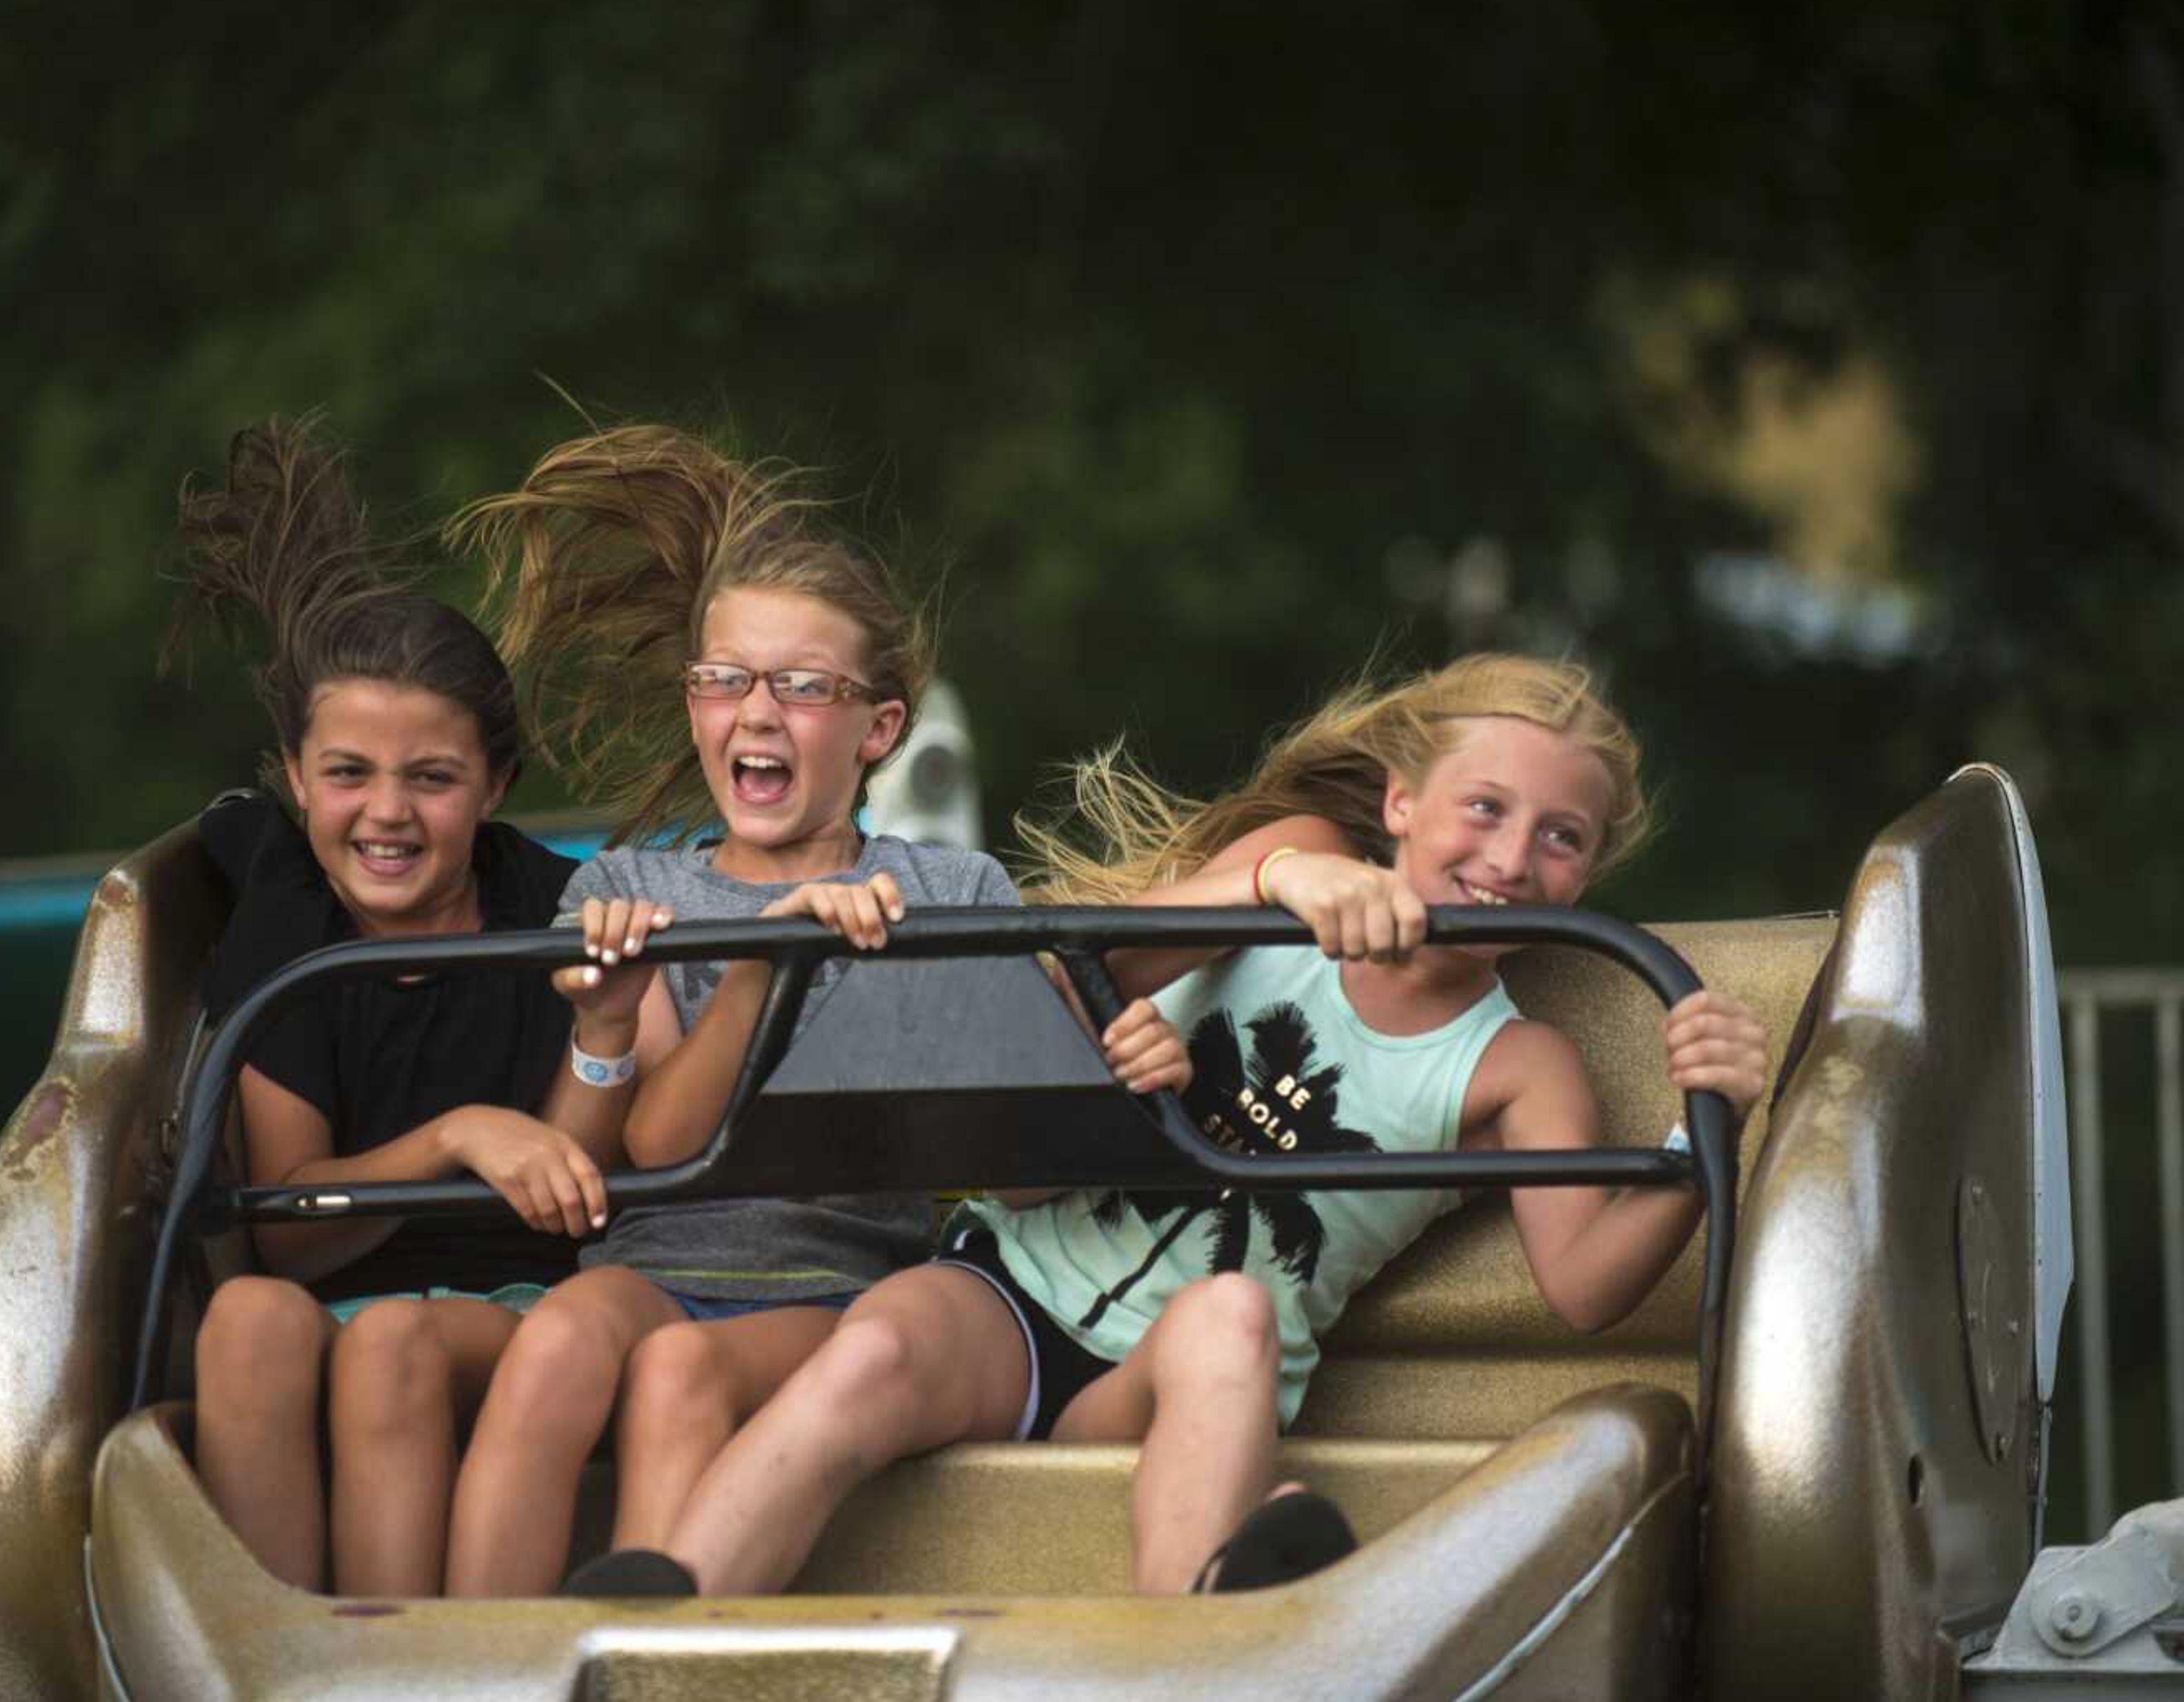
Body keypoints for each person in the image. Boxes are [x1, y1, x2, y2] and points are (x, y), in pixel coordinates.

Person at [590, 653, 1771, 1598]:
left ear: (1589, 871)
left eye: (1561, 838)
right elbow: (1071, 976)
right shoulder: (1289, 867)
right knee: (876, 1346)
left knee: (1232, 1311)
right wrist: (1259, 900)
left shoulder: (1520, 1064)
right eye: (1484, 809)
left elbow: (1584, 1288)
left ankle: (1191, 1626)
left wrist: (1695, 1135)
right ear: (1403, 805)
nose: (1511, 858)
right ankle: (671, 1607)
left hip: (1163, 1380)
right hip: (1013, 1295)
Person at [431, 425, 1191, 1597]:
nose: (758, 712)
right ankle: (469, 1665)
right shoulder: (632, 889)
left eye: (802, 686)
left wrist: (1104, 1068)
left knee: (682, 1367)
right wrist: (766, 962)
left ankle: (637, 1647)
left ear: (877, 729)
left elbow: (1024, 1180)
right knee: (558, 1342)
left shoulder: (952, 893)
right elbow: (662, 1150)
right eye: (726, 678)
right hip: (651, 1258)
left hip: (836, 1284)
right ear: (696, 708)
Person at [172, 420, 654, 1597]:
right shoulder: (291, 931)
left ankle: (397, 1670)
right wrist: (454, 1138)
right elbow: (288, 1229)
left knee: (388, 1345)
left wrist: (597, 1046)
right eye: (347, 774)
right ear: (296, 779)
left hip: (525, 1296)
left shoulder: (558, 907)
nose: (385, 814)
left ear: (492, 785)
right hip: (338, 1292)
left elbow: (568, 1209)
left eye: (431, 779)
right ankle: (275, 1670)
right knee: (243, 1320)